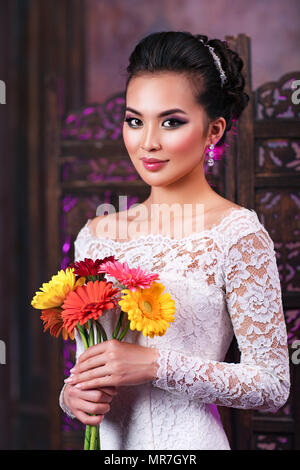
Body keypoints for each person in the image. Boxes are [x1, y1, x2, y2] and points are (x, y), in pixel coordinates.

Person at [59, 31, 290, 450]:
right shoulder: (95, 236)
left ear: (213, 130)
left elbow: (272, 385)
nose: (148, 141)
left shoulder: (237, 234)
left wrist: (153, 365)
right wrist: (71, 396)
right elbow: (84, 368)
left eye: (171, 122)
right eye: (135, 120)